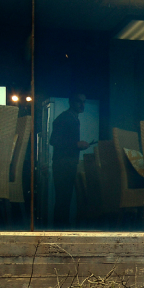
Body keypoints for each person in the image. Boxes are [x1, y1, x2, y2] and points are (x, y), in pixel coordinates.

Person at [48, 94, 89, 226]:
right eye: (79, 101)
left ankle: (60, 231)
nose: (82, 105)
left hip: (67, 163)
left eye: (84, 102)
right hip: (63, 164)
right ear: (71, 102)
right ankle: (59, 232)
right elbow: (53, 140)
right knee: (63, 200)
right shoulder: (65, 118)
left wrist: (77, 145)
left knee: (64, 200)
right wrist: (76, 144)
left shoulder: (72, 118)